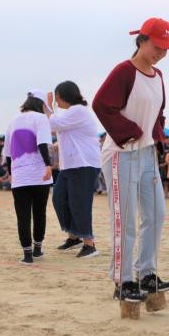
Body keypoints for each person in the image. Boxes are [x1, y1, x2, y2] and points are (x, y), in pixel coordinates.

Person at [92, 17, 169, 303]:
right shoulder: (124, 71)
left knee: (155, 214)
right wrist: (130, 132)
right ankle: (123, 280)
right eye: (157, 46)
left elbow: (159, 113)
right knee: (125, 220)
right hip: (121, 154)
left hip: (147, 154)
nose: (161, 52)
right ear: (141, 41)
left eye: (166, 48)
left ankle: (147, 273)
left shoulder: (159, 76)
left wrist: (157, 137)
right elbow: (101, 105)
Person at [46, 80, 102, 259]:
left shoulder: (78, 110)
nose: (56, 101)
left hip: (83, 164)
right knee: (59, 198)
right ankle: (74, 236)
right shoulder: (71, 113)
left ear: (63, 96)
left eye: (56, 97)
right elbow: (61, 130)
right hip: (70, 165)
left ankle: (89, 244)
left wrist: (48, 107)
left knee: (80, 203)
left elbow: (53, 124)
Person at [3, 93, 54, 265]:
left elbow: (8, 152)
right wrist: (48, 165)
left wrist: (11, 173)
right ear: (40, 104)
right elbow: (42, 143)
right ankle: (37, 249)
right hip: (39, 174)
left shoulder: (12, 120)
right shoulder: (40, 118)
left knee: (23, 215)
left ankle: (27, 255)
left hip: (19, 175)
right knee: (40, 212)